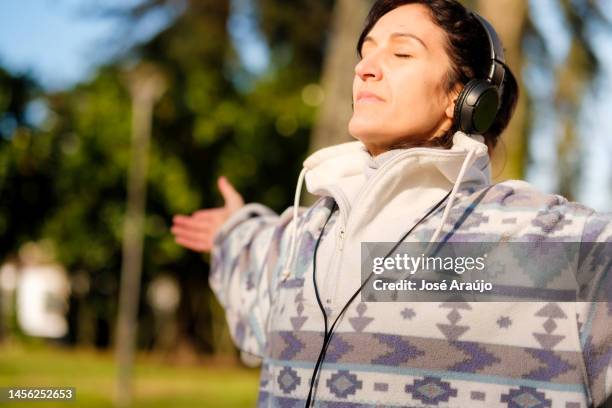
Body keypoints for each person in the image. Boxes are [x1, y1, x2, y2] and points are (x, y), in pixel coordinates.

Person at [171, 1, 612, 407]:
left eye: (402, 54)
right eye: (366, 52)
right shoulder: (300, 239)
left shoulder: (555, 245)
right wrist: (232, 230)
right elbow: (255, 254)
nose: (365, 68)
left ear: (462, 100)